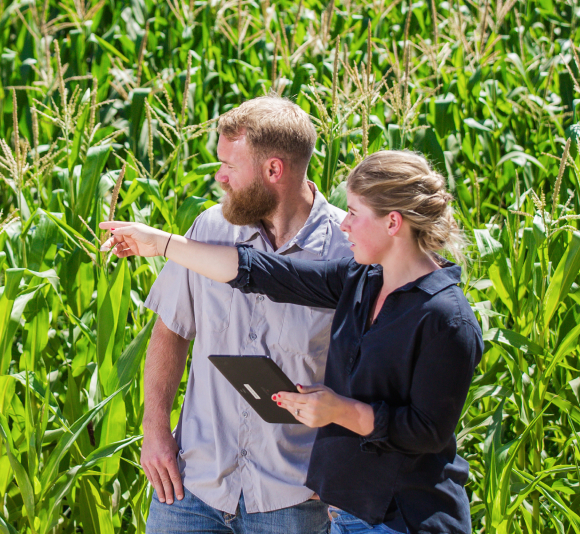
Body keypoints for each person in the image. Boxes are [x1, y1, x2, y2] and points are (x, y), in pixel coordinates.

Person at [100, 150, 483, 534]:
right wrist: (163, 244)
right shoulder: (361, 282)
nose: (344, 225)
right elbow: (266, 272)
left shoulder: (446, 318)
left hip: (409, 519)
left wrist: (336, 410)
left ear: (392, 223)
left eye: (353, 212)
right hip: (350, 515)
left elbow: (427, 431)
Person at [136, 95, 352, 534]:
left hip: (292, 498)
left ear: (273, 171)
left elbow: (373, 374)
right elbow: (170, 332)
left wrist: (339, 465)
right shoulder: (209, 232)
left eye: (230, 167)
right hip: (190, 488)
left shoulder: (347, 252)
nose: (219, 177)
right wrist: (155, 429)